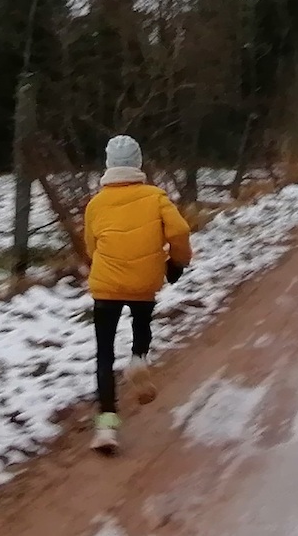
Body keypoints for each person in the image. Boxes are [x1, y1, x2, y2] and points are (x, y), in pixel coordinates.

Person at [83, 134, 193, 456]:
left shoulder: (95, 204)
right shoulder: (156, 197)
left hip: (106, 283)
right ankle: (138, 359)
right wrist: (176, 263)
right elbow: (180, 231)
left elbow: (91, 246)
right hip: (145, 281)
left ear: (108, 165)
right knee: (141, 320)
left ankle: (106, 424)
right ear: (139, 163)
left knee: (103, 353)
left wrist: (104, 263)